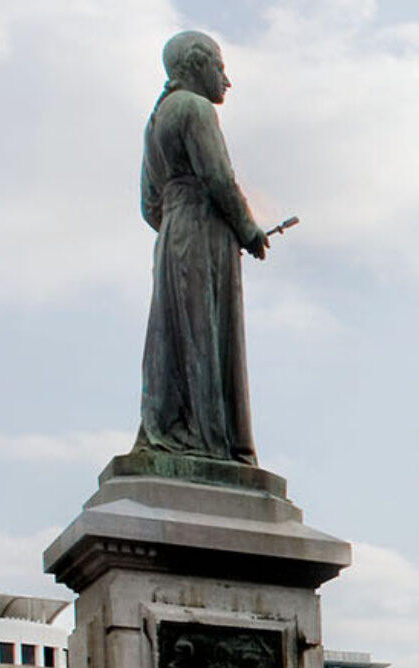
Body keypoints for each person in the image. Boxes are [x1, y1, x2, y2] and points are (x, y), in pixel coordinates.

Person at [138, 31, 273, 464]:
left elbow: (147, 204)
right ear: (197, 65)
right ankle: (209, 439)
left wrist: (176, 222)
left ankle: (180, 427)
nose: (226, 79)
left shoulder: (157, 118)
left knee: (175, 337)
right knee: (205, 334)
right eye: (219, 66)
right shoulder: (195, 109)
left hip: (172, 233)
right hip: (203, 231)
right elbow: (217, 177)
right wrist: (248, 229)